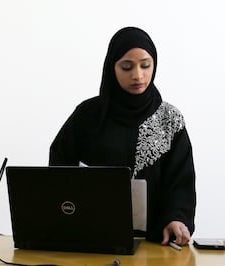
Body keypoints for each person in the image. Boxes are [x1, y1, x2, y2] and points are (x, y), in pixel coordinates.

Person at [49, 26, 196, 246]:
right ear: (112, 68)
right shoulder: (88, 116)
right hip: (91, 240)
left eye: (146, 65)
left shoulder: (169, 120)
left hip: (156, 242)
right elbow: (59, 168)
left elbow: (181, 182)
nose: (138, 75)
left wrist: (177, 218)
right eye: (127, 67)